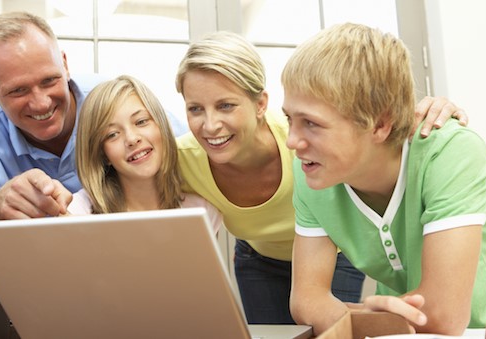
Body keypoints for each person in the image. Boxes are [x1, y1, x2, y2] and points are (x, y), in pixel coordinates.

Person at [174, 30, 468, 324]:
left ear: (261, 104)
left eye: (225, 105)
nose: (210, 125)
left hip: (333, 249)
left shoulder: (305, 143)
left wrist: (425, 111)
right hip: (258, 258)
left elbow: (362, 139)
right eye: (195, 109)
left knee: (331, 329)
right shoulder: (183, 160)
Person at [284, 23, 486, 335]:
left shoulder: (451, 154)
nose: (292, 142)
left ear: (380, 124)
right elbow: (306, 302)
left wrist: (357, 318)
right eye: (289, 119)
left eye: (311, 123)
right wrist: (368, 316)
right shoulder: (311, 170)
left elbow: (443, 316)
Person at [0, 12, 187, 245]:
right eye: (18, 90)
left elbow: (191, 156)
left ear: (65, 65)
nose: (41, 103)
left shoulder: (113, 102)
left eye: (49, 80)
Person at [66, 75, 222, 234]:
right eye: (112, 134)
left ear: (161, 126)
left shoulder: (201, 211)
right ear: (102, 154)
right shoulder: (80, 211)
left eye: (141, 122)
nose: (132, 139)